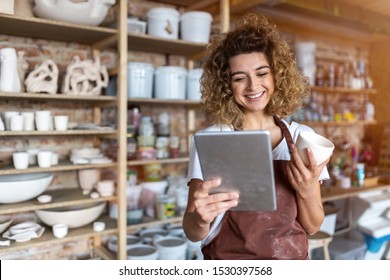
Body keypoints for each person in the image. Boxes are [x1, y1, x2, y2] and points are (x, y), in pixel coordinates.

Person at [182, 13, 331, 260]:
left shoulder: (303, 137)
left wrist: (306, 190)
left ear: (277, 75)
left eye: (262, 73)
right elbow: (193, 232)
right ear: (226, 85)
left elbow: (313, 227)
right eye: (240, 78)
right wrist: (199, 217)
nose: (253, 86)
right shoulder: (213, 140)